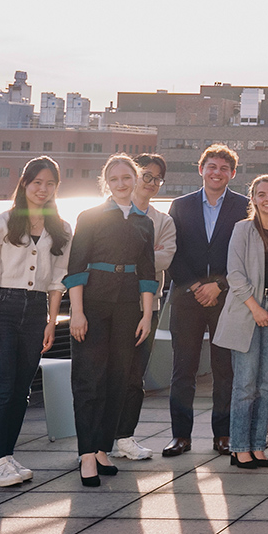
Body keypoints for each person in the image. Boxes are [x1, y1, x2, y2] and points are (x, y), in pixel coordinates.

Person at [0, 157, 70, 487]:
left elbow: (58, 280)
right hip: (2, 308)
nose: (43, 189)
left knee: (22, 390)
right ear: (24, 183)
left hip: (36, 312)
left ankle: (6, 456)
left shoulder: (62, 228)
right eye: (37, 182)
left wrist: (52, 323)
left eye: (50, 183)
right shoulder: (1, 222)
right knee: (3, 387)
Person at [62, 155, 158, 487]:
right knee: (90, 378)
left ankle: (103, 447)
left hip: (130, 306)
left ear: (136, 179)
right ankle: (87, 453)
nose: (121, 183)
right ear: (107, 182)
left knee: (119, 378)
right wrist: (77, 312)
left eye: (126, 177)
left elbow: (148, 274)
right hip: (93, 304)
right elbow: (75, 268)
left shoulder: (145, 222)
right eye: (114, 178)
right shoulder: (88, 217)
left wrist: (146, 315)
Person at [162, 145, 246, 458]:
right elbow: (172, 251)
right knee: (183, 369)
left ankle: (222, 435)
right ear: (202, 169)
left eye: (224, 168)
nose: (217, 172)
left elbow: (246, 256)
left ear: (232, 174)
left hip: (227, 300)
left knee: (225, 371)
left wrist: (218, 285)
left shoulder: (244, 206)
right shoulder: (181, 206)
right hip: (187, 298)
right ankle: (180, 436)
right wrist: (197, 285)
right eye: (212, 166)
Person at [213, 175, 268, 469]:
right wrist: (256, 308)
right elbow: (234, 273)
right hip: (247, 310)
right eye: (262, 194)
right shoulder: (243, 229)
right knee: (245, 384)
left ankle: (259, 444)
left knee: (267, 385)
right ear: (254, 199)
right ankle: (239, 447)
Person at [112, 152, 175, 462]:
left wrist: (128, 259)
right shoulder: (106, 215)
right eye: (145, 175)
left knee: (135, 374)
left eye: (156, 178)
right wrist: (145, 254)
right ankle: (98, 439)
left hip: (147, 307)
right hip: (109, 302)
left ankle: (125, 437)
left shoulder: (164, 221)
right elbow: (146, 259)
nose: (150, 182)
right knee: (106, 372)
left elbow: (163, 259)